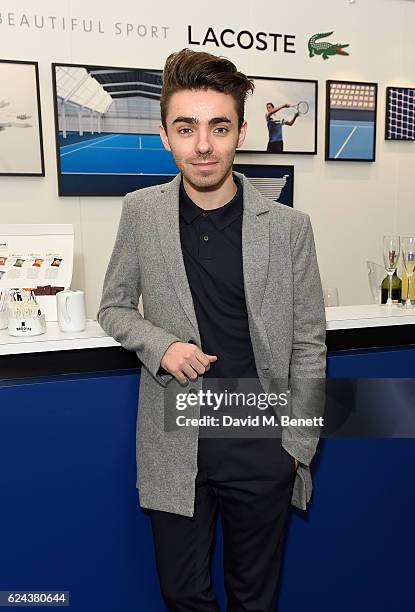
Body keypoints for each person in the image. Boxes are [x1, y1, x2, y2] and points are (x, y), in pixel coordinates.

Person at [97, 48, 326, 611]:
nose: (203, 145)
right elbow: (114, 307)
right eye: (187, 128)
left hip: (262, 442)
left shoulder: (289, 227)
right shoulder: (141, 212)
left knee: (254, 598)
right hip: (175, 439)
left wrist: (296, 446)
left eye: (218, 128)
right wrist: (163, 345)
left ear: (241, 131)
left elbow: (309, 343)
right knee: (183, 595)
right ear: (165, 135)